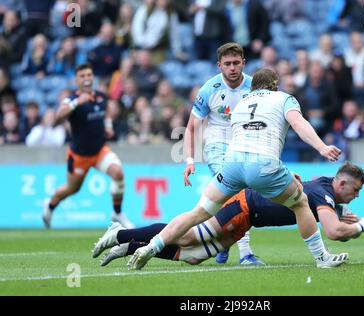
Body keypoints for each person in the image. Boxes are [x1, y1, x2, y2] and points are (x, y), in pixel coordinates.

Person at [127, 68, 346, 270]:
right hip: (263, 165)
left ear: (254, 87)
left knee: (198, 213)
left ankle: (151, 246)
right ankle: (321, 258)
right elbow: (298, 124)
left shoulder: (241, 104)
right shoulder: (284, 98)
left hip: (232, 165)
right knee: (300, 203)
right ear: (275, 85)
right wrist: (322, 147)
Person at [92, 162, 364, 266]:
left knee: (192, 256)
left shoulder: (326, 189)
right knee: (189, 235)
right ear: (341, 183)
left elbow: (332, 216)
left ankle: (130, 247)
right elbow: (335, 233)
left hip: (247, 218)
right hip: (245, 204)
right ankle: (118, 232)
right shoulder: (323, 193)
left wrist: (341, 212)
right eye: (354, 191)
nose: (355, 196)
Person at [183, 42, 260, 265]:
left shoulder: (255, 87)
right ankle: (245, 253)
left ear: (244, 63)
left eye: (236, 63)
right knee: (238, 194)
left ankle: (223, 241)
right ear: (219, 66)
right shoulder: (209, 89)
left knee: (243, 199)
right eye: (228, 64)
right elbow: (191, 128)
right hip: (217, 144)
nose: (233, 68)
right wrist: (189, 160)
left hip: (245, 144)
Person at [42, 64, 134, 229]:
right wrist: (77, 102)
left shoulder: (100, 96)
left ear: (93, 77)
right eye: (82, 76)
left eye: (89, 75)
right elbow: (57, 119)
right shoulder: (71, 99)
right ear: (77, 80)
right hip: (79, 156)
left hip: (99, 151)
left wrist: (108, 126)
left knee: (118, 173)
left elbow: (104, 113)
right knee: (71, 189)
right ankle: (49, 205)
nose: (86, 78)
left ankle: (117, 213)